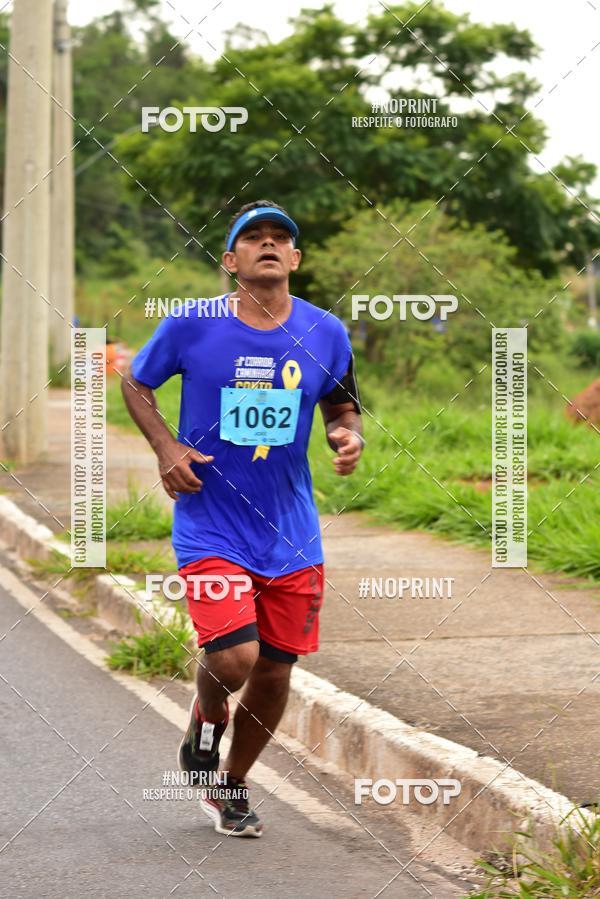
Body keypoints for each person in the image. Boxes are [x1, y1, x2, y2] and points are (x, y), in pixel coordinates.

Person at [122, 200, 364, 837]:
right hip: (210, 522)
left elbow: (343, 405)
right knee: (233, 660)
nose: (267, 245)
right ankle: (206, 719)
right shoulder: (191, 323)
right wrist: (166, 448)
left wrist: (347, 436)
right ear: (230, 261)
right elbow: (134, 382)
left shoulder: (326, 332)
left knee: (276, 670)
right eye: (251, 238)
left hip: (291, 531)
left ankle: (230, 785)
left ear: (295, 259)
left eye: (279, 238)